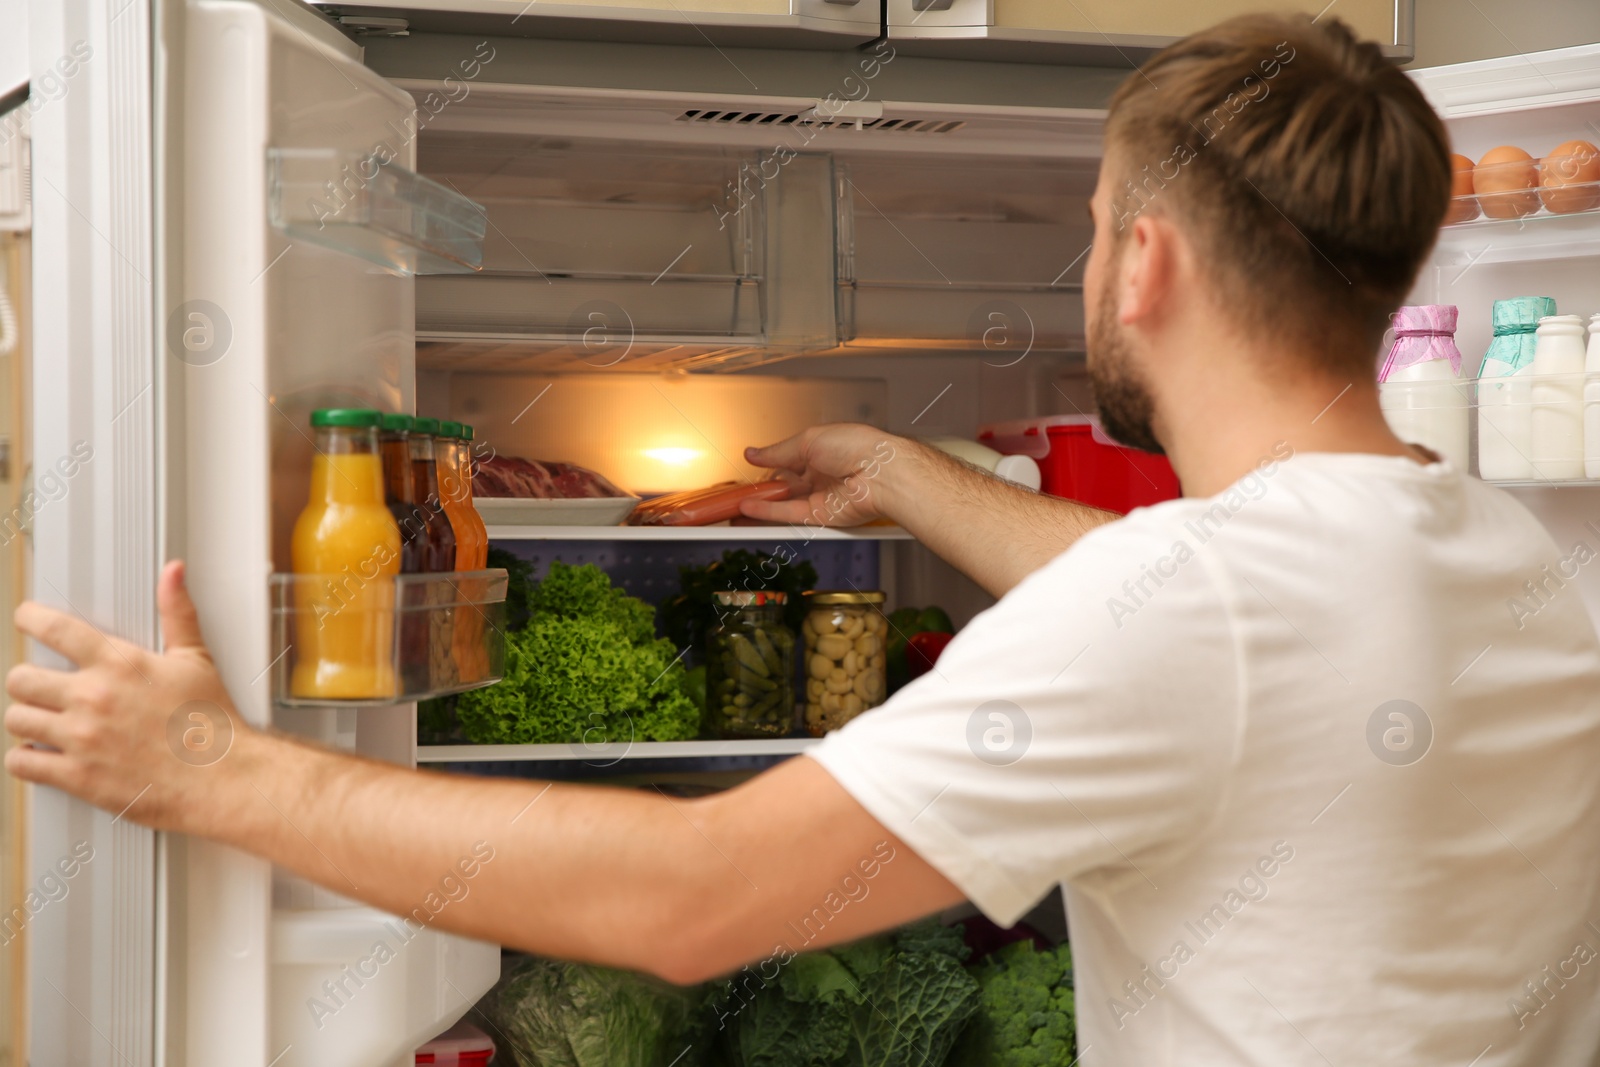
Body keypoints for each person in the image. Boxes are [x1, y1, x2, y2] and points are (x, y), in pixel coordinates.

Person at [8, 12, 1600, 1065]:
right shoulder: (1508, 559)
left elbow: (692, 899)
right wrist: (905, 482)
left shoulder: (1193, 606)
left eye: (1095, 223)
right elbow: (1238, 636)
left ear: (1147, 263)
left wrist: (215, 770)